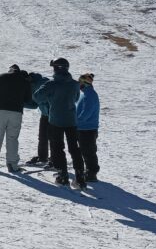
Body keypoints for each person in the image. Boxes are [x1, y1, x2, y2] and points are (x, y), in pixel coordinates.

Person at [33, 58, 84, 187]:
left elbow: (37, 96)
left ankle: (63, 175)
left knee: (57, 148)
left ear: (57, 69)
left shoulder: (52, 84)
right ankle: (80, 177)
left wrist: (50, 97)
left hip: (55, 120)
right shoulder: (74, 84)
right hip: (71, 120)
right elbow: (76, 98)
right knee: (75, 149)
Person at [0, 64, 32, 172]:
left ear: (10, 70)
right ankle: (12, 165)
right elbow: (28, 99)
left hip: (0, 111)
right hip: (16, 113)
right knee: (13, 138)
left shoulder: (1, 77)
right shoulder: (24, 81)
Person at [75, 73, 101, 181]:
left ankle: (91, 173)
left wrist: (76, 121)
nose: (79, 85)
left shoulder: (89, 95)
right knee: (85, 151)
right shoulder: (85, 93)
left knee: (89, 151)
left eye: (80, 82)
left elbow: (86, 113)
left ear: (85, 83)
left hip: (87, 129)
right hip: (83, 128)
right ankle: (89, 171)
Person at [25, 71, 52, 166]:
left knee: (53, 138)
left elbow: (48, 99)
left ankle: (54, 159)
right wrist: (20, 104)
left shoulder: (43, 83)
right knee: (42, 137)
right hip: (45, 114)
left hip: (53, 114)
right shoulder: (33, 86)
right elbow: (34, 104)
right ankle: (42, 157)